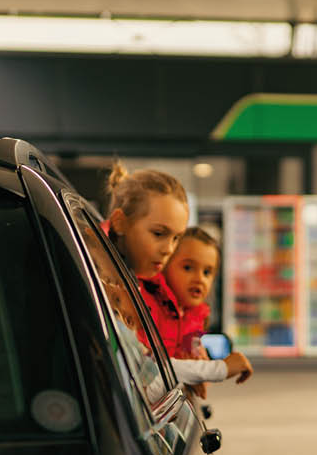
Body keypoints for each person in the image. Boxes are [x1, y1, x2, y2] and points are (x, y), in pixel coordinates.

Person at [104, 163, 252, 388]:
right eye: (159, 234)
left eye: (175, 238)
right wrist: (216, 369)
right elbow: (142, 375)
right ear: (120, 222)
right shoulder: (106, 285)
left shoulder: (141, 285)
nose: (168, 250)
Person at [160, 226, 252, 395]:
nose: (199, 278)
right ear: (164, 264)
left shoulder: (195, 320)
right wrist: (216, 369)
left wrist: (199, 366)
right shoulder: (150, 308)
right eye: (188, 268)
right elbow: (150, 370)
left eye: (207, 272)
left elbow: (195, 366)